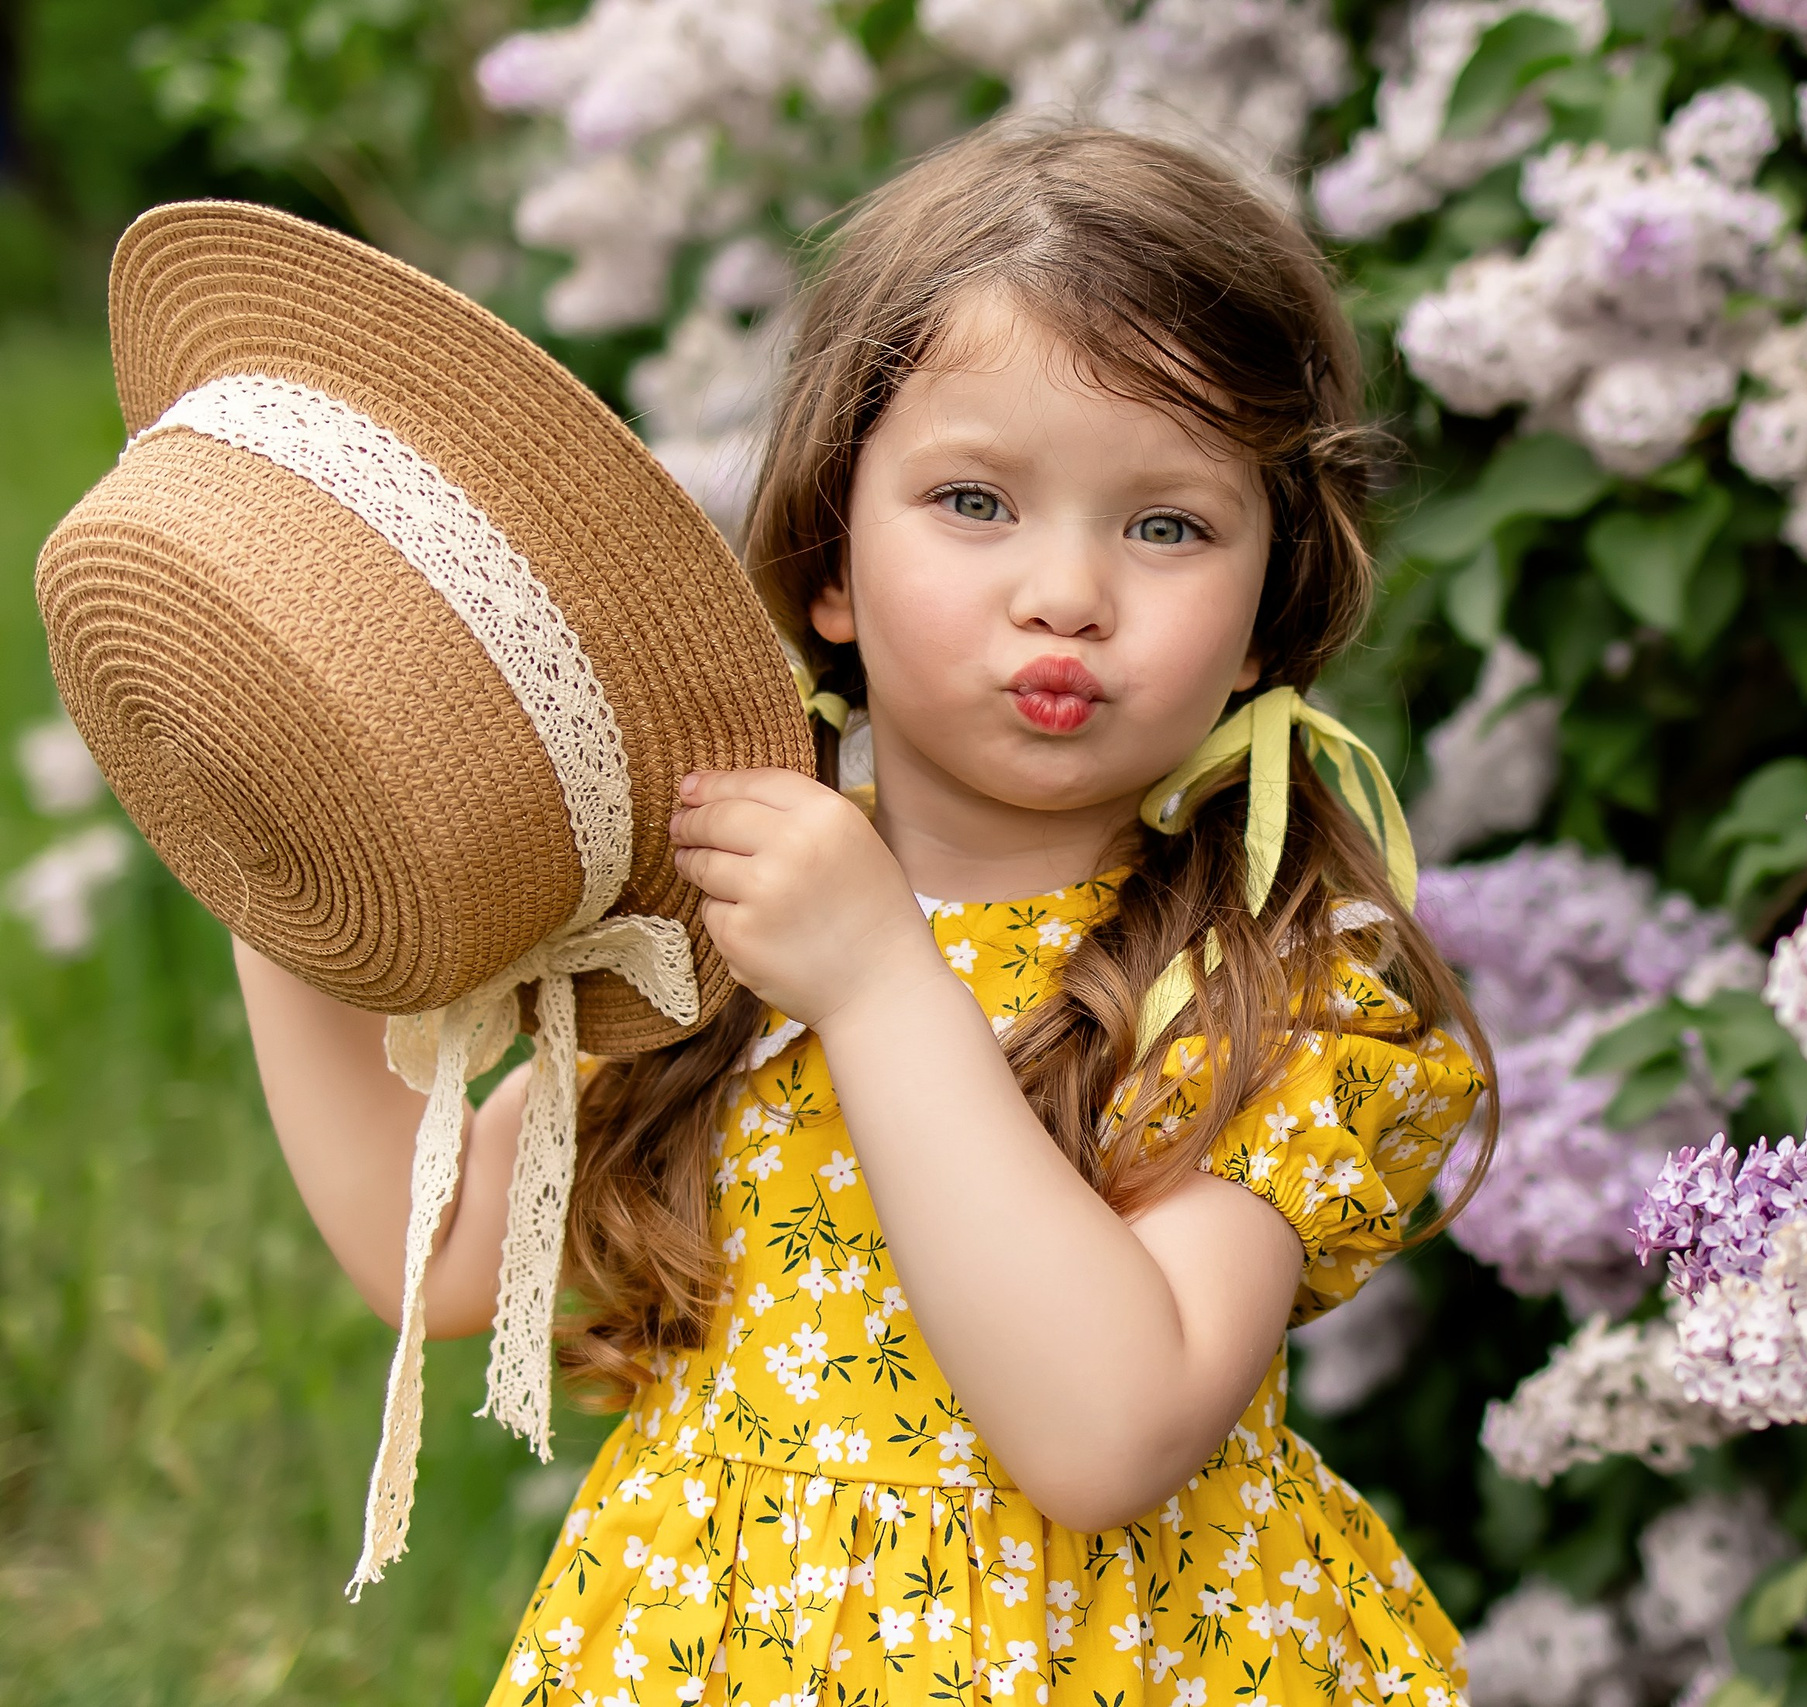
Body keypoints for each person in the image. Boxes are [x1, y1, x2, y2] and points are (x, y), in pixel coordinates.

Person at [232, 124, 1497, 1706]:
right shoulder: (722, 911)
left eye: (1167, 525)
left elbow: (1107, 1435)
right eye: (975, 501)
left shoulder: (1271, 984)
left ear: (1267, 607)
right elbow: (448, 1257)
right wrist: (274, 866)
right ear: (831, 556)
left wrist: (882, 985)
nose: (1067, 592)